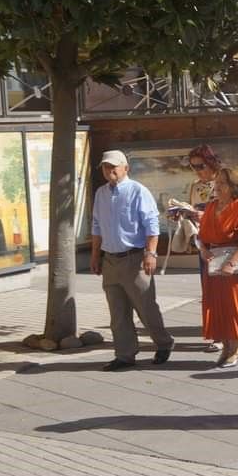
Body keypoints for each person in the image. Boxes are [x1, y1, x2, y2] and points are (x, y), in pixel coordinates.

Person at [90, 150, 174, 372]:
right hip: (110, 260)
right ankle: (125, 354)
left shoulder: (138, 191)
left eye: (113, 166)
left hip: (134, 258)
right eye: (106, 167)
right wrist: (95, 255)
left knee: (146, 307)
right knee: (117, 312)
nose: (109, 171)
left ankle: (164, 342)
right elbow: (97, 226)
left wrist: (151, 254)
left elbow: (152, 225)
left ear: (125, 168)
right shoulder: (101, 193)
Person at [197, 167, 238, 368]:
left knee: (233, 306)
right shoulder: (211, 207)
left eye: (222, 183)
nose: (218, 186)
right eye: (217, 182)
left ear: (233, 187)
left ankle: (236, 349)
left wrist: (232, 263)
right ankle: (226, 347)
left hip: (233, 266)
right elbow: (200, 236)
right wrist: (203, 250)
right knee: (218, 306)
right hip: (213, 264)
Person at [184, 144, 221, 352]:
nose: (198, 171)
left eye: (200, 166)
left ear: (211, 162)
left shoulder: (224, 182)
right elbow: (193, 209)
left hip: (222, 244)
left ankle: (225, 334)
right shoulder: (196, 186)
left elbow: (232, 212)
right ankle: (215, 332)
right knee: (208, 290)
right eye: (194, 167)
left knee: (221, 290)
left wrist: (205, 215)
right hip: (203, 242)